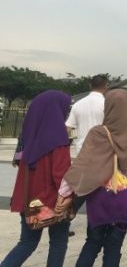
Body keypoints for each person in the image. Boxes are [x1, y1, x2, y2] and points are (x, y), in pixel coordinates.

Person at [62, 89, 127, 267]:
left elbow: (84, 165)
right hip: (125, 197)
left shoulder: (98, 133)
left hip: (100, 197)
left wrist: (66, 190)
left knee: (93, 242)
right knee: (114, 246)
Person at [1, 90, 74, 267]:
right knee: (58, 242)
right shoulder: (58, 140)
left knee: (27, 243)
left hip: (30, 200)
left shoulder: (27, 138)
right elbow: (61, 175)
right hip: (53, 201)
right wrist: (69, 197)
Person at [65, 74, 108, 155]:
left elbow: (68, 128)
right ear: (106, 86)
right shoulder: (107, 104)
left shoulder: (77, 104)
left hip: (81, 149)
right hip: (102, 150)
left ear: (90, 85)